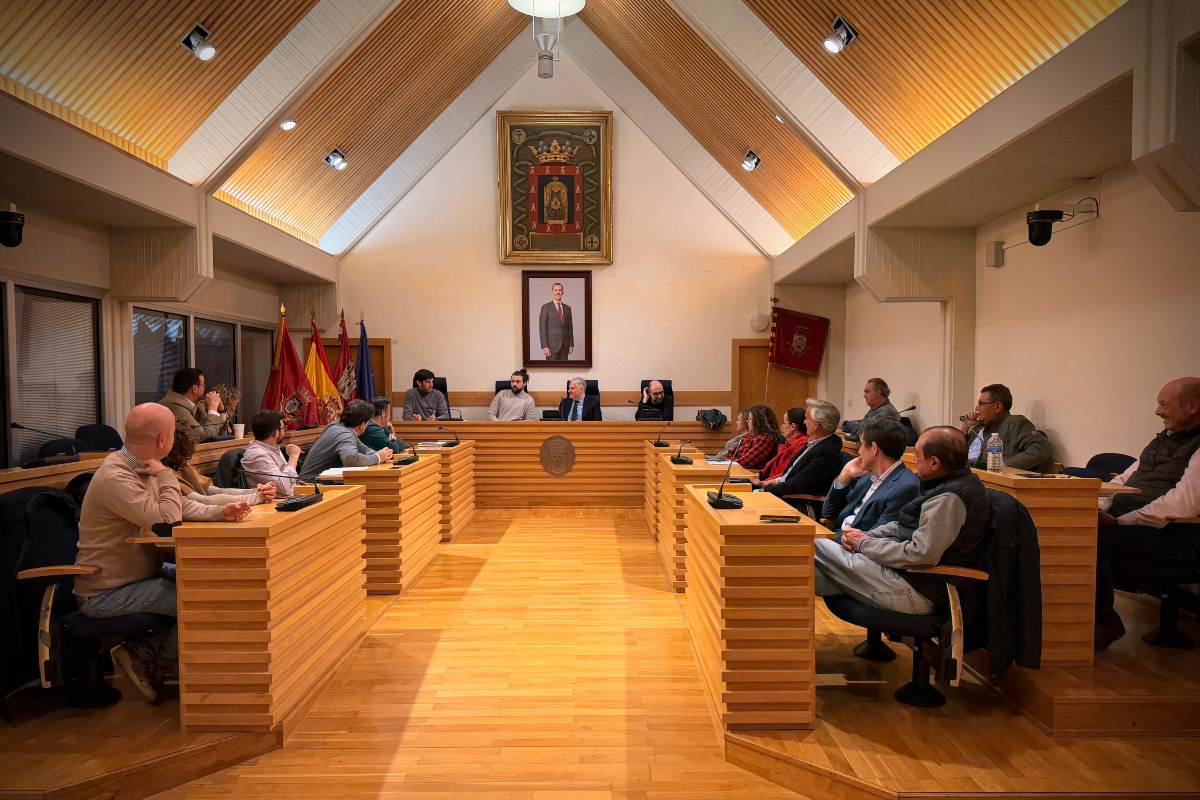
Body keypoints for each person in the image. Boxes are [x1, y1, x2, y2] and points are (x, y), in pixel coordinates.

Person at [814, 426, 992, 614]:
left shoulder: (948, 498)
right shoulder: (941, 485)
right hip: (902, 576)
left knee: (811, 543)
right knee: (805, 572)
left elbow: (921, 554)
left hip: (919, 590)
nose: (913, 460)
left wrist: (864, 544)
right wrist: (866, 536)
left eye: (917, 454)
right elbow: (902, 526)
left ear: (934, 463)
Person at [74, 404, 184, 702]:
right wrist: (166, 477)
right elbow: (168, 522)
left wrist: (229, 510)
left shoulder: (140, 466)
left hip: (140, 576)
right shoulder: (117, 476)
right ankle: (146, 657)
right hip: (106, 591)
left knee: (207, 582)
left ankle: (153, 655)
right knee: (197, 601)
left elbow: (183, 507)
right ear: (163, 439)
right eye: (174, 434)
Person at [1093, 377, 1200, 651]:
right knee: (1075, 532)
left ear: (1192, 406)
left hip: (1177, 537)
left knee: (1091, 542)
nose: (1157, 412)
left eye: (1164, 404)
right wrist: (1099, 509)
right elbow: (1122, 481)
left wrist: (1119, 522)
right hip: (1134, 524)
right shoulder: (1161, 441)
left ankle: (1105, 622)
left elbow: (1183, 505)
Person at [822, 421, 919, 537]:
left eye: (862, 445)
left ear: (874, 448)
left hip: (857, 547)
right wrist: (844, 477)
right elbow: (828, 513)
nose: (859, 451)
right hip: (838, 537)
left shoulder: (905, 486)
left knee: (808, 544)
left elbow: (879, 537)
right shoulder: (868, 476)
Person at [162, 427, 268, 518]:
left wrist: (257, 492)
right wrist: (257, 497)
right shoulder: (163, 473)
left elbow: (213, 491)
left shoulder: (181, 465)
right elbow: (203, 501)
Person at [752, 400, 843, 502]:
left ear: (816, 425)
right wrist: (775, 481)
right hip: (780, 490)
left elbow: (799, 485)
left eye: (807, 418)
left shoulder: (827, 452)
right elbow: (791, 475)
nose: (804, 422)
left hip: (794, 502)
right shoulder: (814, 443)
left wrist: (764, 490)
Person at [959, 383, 1051, 471]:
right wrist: (964, 428)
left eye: (981, 404)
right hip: (966, 475)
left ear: (998, 407)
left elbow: (1041, 449)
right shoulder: (977, 428)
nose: (976, 408)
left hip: (989, 481)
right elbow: (954, 454)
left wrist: (1002, 466)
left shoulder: (1015, 424)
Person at [300, 399, 394, 481]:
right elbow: (351, 459)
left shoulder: (338, 427)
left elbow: (362, 448)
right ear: (362, 425)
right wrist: (377, 458)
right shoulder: (344, 434)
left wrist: (382, 454)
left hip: (317, 481)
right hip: (311, 484)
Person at [242, 410, 301, 496]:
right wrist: (293, 457)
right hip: (272, 504)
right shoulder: (257, 455)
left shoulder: (272, 446)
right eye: (283, 428)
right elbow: (285, 488)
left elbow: (291, 483)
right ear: (275, 432)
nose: (284, 431)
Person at [158, 367, 227, 440]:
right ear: (195, 388)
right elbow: (205, 437)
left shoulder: (198, 405)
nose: (205, 388)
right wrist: (213, 409)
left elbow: (222, 436)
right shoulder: (173, 407)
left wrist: (221, 411)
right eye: (203, 385)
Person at [756, 407, 808, 481]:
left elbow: (787, 472)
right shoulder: (789, 442)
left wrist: (763, 482)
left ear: (793, 427)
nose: (781, 426)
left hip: (776, 485)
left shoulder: (801, 444)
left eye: (784, 423)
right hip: (768, 481)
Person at [728, 405, 780, 472]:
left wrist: (729, 462)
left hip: (748, 475)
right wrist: (729, 461)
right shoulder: (749, 436)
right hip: (736, 471)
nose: (747, 421)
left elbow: (744, 463)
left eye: (749, 419)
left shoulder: (765, 439)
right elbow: (731, 452)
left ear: (758, 422)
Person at [538, 282, 574, 361]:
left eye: (560, 290)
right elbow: (542, 329)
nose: (558, 292)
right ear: (552, 292)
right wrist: (544, 346)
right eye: (555, 290)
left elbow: (570, 328)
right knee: (551, 371)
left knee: (564, 370)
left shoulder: (568, 308)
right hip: (551, 347)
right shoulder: (545, 307)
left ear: (562, 292)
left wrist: (571, 344)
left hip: (565, 346)